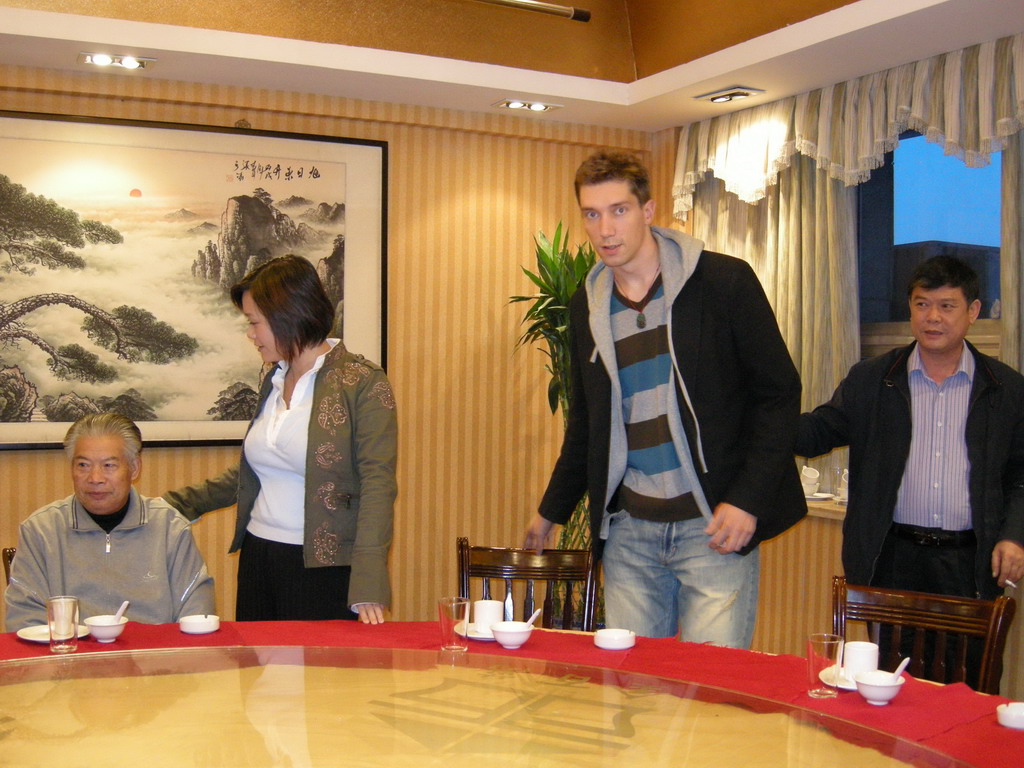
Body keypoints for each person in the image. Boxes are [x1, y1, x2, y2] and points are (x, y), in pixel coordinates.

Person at [524, 151, 805, 648]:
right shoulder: (586, 307)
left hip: (713, 529)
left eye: (619, 210)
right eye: (592, 214)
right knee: (634, 699)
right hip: (630, 534)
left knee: (711, 694)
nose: (605, 229)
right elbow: (588, 425)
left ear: (649, 210)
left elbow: (779, 395)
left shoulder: (723, 283)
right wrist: (551, 512)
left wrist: (746, 500)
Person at [164, 255, 397, 624]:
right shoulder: (273, 379)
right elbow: (253, 472)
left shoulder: (362, 382)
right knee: (258, 678)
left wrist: (369, 579)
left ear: (289, 315)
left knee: (323, 680)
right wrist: (172, 505)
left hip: (326, 567)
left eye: (255, 322)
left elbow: (378, 484)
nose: (250, 334)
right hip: (259, 557)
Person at [797, 256, 1024, 610]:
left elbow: (1020, 475)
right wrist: (758, 414)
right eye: (922, 305)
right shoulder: (872, 379)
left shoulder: (1005, 388)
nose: (932, 317)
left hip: (969, 562)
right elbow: (816, 432)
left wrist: (1014, 536)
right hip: (891, 558)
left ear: (973, 311)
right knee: (889, 666)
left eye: (947, 306)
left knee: (968, 666)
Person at [5, 413, 215, 631]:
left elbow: (198, 615)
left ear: (134, 468)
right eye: (83, 465)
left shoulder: (170, 528)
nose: (95, 478)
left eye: (109, 465)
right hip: (71, 659)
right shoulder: (41, 530)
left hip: (155, 660)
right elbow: (24, 621)